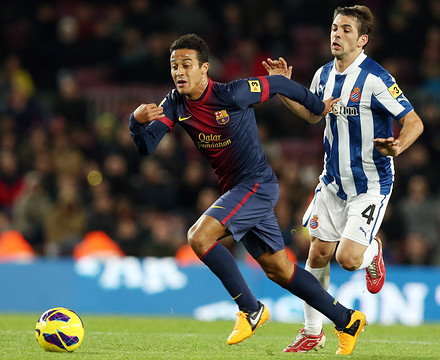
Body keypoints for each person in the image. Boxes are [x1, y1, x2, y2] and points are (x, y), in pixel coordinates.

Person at [130, 33, 367, 355]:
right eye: (174, 66)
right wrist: (135, 122)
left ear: (204, 69)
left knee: (199, 237)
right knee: (280, 270)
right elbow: (147, 147)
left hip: (256, 185)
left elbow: (280, 85)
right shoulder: (175, 103)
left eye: (186, 65)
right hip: (238, 190)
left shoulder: (233, 93)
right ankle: (347, 319)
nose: (179, 72)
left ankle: (250, 310)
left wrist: (317, 106)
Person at [263, 5, 424, 353]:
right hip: (333, 182)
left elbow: (414, 122)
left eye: (346, 29)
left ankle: (374, 250)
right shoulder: (322, 75)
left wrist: (398, 147)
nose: (336, 34)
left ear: (362, 39)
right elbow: (311, 114)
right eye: (334, 27)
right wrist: (283, 88)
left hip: (370, 184)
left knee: (348, 259)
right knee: (317, 253)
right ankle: (311, 331)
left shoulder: (376, 79)